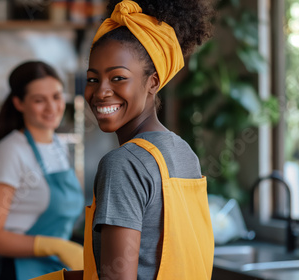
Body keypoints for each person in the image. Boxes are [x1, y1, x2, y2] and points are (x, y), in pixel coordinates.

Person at [35, 0, 215, 279]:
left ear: (153, 82)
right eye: (93, 79)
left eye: (118, 78)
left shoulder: (123, 164)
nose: (101, 92)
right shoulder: (183, 152)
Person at [0, 61, 85, 280]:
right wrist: (54, 246)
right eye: (39, 100)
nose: (51, 107)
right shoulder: (9, 152)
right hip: (19, 272)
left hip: (57, 270)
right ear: (19, 103)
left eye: (57, 97)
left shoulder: (59, 147)